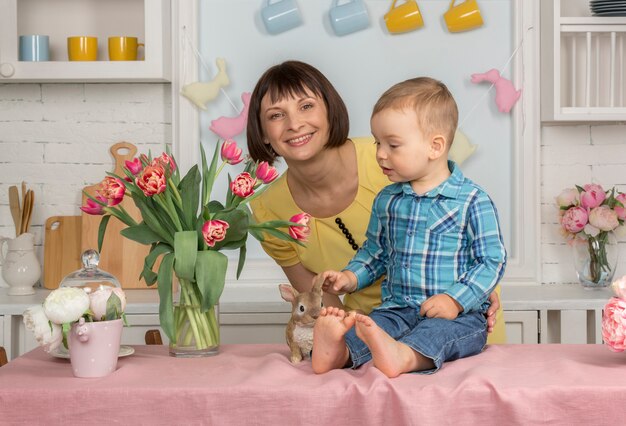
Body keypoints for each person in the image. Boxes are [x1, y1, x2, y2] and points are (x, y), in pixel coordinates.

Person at [246, 60, 506, 344]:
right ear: (262, 133)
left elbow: (460, 225)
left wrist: (468, 295)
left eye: (306, 106)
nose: (294, 124)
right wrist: (356, 348)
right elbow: (326, 304)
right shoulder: (268, 210)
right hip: (376, 328)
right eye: (275, 115)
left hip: (449, 319)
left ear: (330, 111)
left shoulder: (388, 158)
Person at [311, 77, 507, 377]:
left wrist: (455, 299)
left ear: (435, 146)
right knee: (370, 327)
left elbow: (491, 260)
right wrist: (350, 277)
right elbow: (376, 253)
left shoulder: (471, 200)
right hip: (397, 309)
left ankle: (404, 357)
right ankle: (339, 352)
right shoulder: (388, 200)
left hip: (457, 315)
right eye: (378, 143)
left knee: (438, 335)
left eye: (393, 145)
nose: (379, 153)